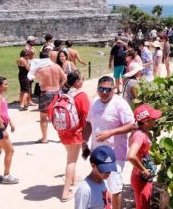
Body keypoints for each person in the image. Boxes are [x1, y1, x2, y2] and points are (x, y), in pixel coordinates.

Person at [82, 76, 136, 209]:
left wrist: (110, 133)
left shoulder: (120, 104)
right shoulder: (95, 102)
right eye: (101, 89)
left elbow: (132, 125)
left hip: (114, 156)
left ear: (113, 89)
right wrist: (84, 140)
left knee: (115, 188)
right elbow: (89, 123)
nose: (104, 92)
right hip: (97, 153)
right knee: (101, 184)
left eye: (108, 89)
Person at [53, 71, 91, 202]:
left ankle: (74, 180)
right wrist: (86, 136)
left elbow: (50, 111)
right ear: (76, 82)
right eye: (82, 79)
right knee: (71, 161)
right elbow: (87, 116)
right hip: (76, 133)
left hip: (63, 132)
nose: (83, 81)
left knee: (70, 157)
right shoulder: (81, 96)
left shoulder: (60, 94)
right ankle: (65, 193)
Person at [128, 104, 162, 209]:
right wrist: (143, 170)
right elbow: (131, 156)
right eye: (153, 119)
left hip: (139, 177)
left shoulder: (139, 131)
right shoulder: (140, 135)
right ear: (146, 122)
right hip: (141, 178)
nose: (155, 120)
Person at [28, 51, 67, 143]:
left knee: (43, 117)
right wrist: (60, 86)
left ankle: (44, 138)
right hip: (57, 92)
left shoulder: (40, 70)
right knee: (59, 116)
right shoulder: (56, 66)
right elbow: (64, 78)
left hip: (46, 93)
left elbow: (34, 78)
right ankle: (62, 137)